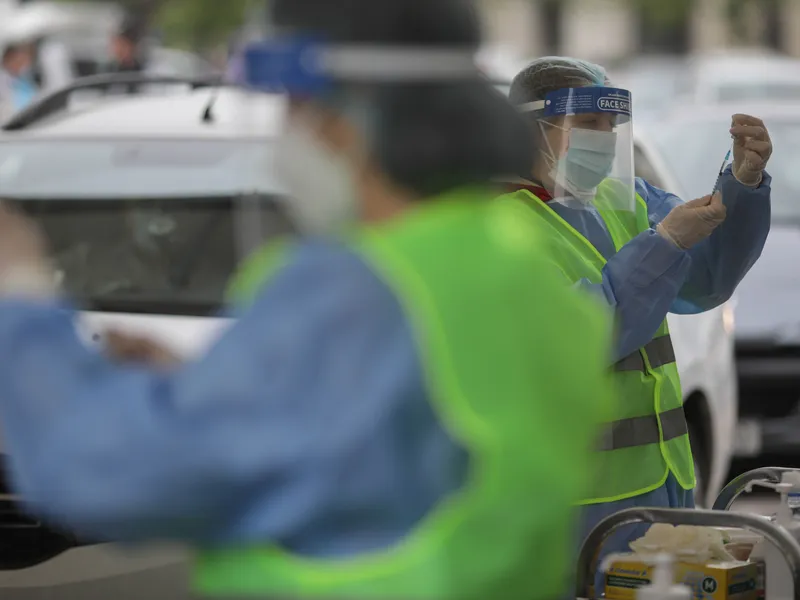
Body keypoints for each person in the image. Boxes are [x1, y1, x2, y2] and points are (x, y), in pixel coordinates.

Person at [0, 2, 616, 598]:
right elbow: (387, 453)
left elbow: (110, 474)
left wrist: (21, 294)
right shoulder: (511, 260)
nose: (285, 133)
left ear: (346, 123)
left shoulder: (355, 292)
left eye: (294, 110)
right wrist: (206, 388)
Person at [500, 56, 772, 593]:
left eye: (610, 126)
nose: (603, 139)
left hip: (660, 490)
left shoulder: (620, 203)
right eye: (588, 125)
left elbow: (707, 277)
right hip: (571, 508)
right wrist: (664, 243)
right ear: (532, 131)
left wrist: (741, 184)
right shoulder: (503, 227)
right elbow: (581, 334)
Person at [0, 42, 38, 121]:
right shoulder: (3, 79)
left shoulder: (23, 78)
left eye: (26, 60)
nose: (24, 64)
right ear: (8, 58)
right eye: (20, 60)